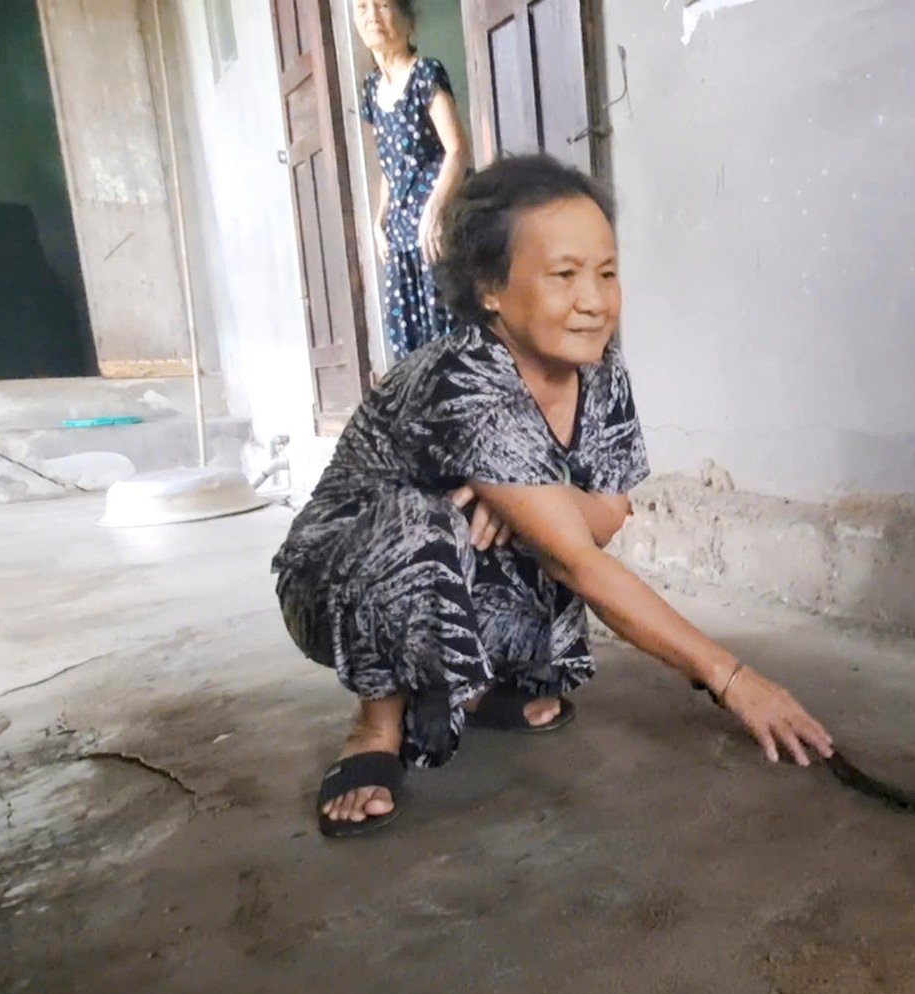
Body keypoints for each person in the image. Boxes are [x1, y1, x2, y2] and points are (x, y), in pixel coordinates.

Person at [273, 155, 836, 837]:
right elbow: (577, 557)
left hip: (452, 559)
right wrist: (734, 679)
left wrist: (539, 508)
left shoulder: (599, 370)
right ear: (489, 287)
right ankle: (376, 727)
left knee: (529, 531)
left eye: (606, 273)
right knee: (426, 522)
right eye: (564, 275)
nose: (594, 300)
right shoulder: (464, 380)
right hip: (336, 575)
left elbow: (613, 509)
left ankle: (471, 689)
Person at [355, 0, 467, 361]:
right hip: (400, 234)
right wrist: (379, 219)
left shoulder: (426, 75)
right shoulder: (371, 89)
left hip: (434, 231)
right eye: (361, 7)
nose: (372, 15)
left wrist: (434, 212)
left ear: (409, 20)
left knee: (448, 337)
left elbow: (456, 150)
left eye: (383, 5)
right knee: (409, 345)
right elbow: (391, 165)